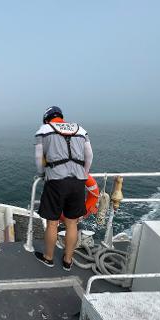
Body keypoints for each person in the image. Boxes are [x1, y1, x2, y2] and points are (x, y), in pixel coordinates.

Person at [33, 106, 93, 271]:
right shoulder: (80, 129)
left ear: (47, 118)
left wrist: (42, 173)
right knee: (72, 223)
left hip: (56, 182)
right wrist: (84, 173)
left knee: (52, 223)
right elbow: (89, 156)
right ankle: (67, 261)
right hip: (78, 182)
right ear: (61, 116)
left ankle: (48, 258)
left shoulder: (44, 130)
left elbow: (39, 158)